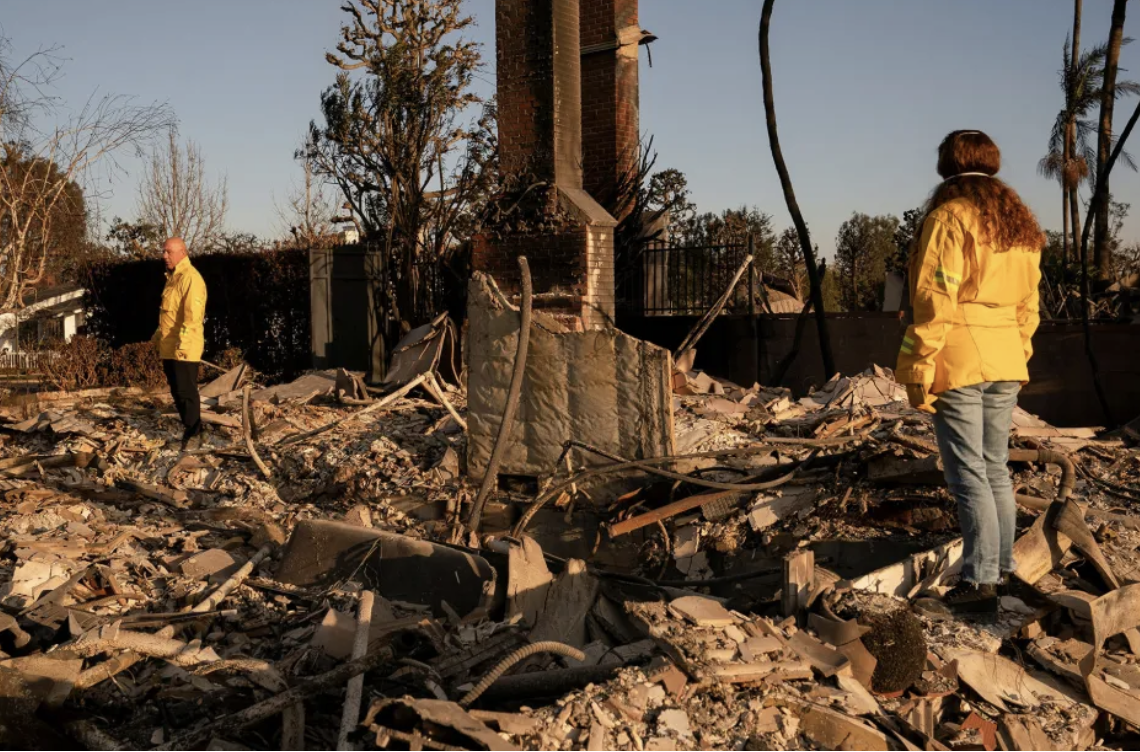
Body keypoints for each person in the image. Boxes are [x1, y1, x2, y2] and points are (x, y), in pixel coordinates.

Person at [896, 130, 1044, 621]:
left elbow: (935, 298)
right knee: (995, 466)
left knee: (968, 475)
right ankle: (999, 570)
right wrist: (1019, 352)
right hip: (1005, 357)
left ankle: (978, 582)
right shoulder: (1019, 226)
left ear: (946, 167)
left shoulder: (947, 218)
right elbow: (1029, 306)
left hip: (960, 356)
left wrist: (918, 366)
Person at [152, 237, 208, 452]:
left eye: (169, 252)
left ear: (182, 252)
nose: (164, 256)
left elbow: (192, 317)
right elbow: (169, 314)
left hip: (184, 346)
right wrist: (158, 336)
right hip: (170, 345)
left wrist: (183, 345)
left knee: (187, 391)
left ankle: (195, 433)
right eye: (164, 252)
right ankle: (188, 430)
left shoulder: (191, 278)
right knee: (177, 391)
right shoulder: (173, 278)